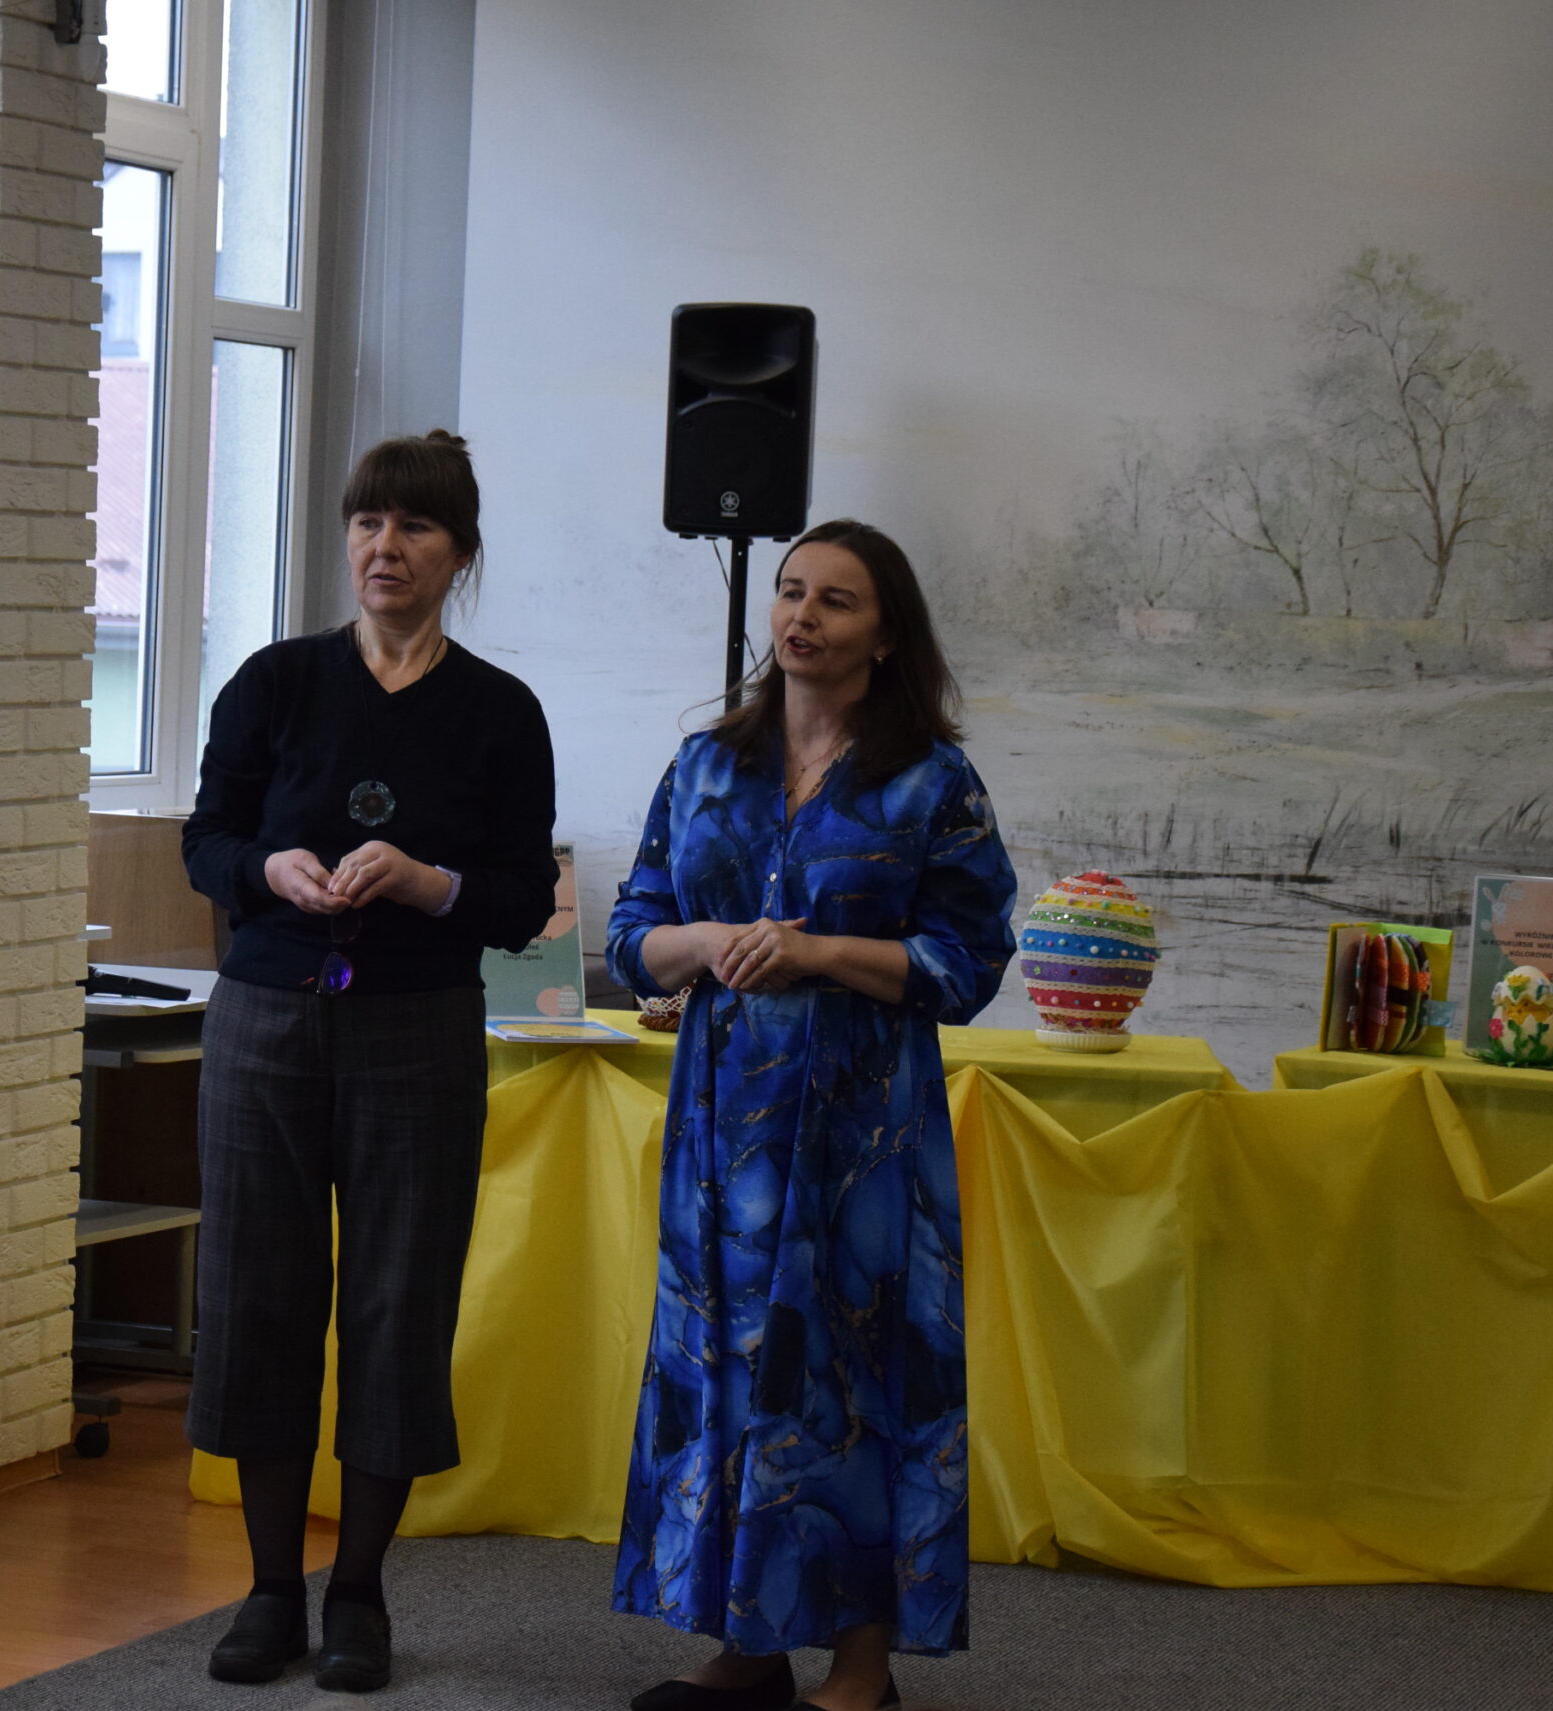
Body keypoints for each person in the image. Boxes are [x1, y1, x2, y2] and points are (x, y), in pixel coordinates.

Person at [605, 520, 1018, 1711]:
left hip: (861, 1130)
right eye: (790, 591)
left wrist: (819, 951)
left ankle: (860, 1669)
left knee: (851, 1373)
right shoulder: (704, 766)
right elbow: (633, 935)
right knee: (727, 1363)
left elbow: (968, 962)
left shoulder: (931, 781)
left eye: (836, 599)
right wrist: (706, 943)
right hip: (721, 1126)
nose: (801, 614)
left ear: (885, 634)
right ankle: (746, 1650)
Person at [180, 431, 559, 1693]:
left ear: (459, 553)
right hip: (264, 1019)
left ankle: (359, 1592)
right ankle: (267, 1588)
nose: (384, 548)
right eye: (366, 523)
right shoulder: (275, 681)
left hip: (419, 1026)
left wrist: (423, 880)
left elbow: (519, 896)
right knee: (256, 1296)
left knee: (399, 1303)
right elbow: (206, 837)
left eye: (414, 527)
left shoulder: (500, 711)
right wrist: (266, 868)